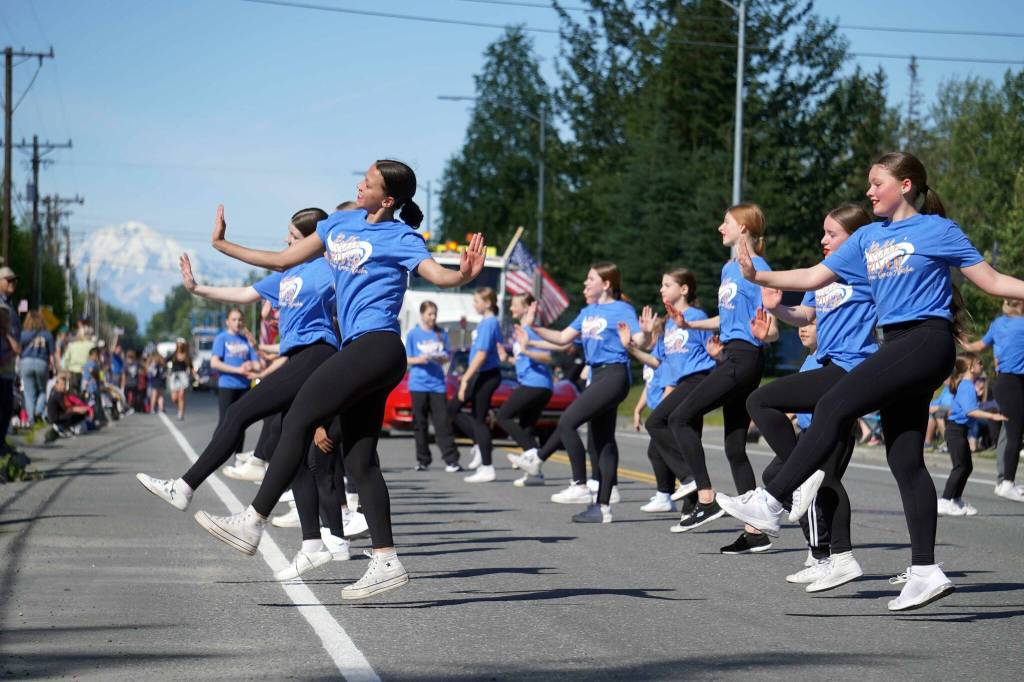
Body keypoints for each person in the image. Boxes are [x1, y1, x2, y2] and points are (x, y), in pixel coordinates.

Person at [716, 151, 1024, 611]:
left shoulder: (938, 230)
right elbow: (814, 276)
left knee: (834, 404)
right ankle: (924, 571)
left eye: (877, 182)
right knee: (905, 461)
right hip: (898, 341)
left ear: (904, 185)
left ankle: (773, 500)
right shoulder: (867, 237)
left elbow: (995, 281)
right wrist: (757, 273)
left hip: (926, 339)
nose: (869, 191)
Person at [190, 160, 486, 599]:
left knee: (297, 419)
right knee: (360, 461)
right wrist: (222, 245)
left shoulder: (402, 236)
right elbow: (282, 259)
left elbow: (437, 275)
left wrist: (464, 274)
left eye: (367, 183)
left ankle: (253, 521)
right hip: (360, 352)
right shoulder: (340, 223)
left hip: (378, 346)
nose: (358, 185)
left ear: (387, 199)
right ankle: (386, 561)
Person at [137, 207, 340, 526]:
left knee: (238, 413)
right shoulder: (287, 273)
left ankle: (185, 487)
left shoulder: (329, 270)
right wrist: (196, 289)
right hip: (296, 356)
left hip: (316, 354)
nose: (286, 240)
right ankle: (318, 543)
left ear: (313, 241)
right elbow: (244, 294)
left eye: (294, 236)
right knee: (293, 449)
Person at [744, 204, 876, 586]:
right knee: (826, 477)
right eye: (823, 233)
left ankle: (799, 482)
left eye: (831, 234)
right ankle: (836, 558)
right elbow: (806, 317)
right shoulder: (826, 279)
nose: (823, 240)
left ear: (854, 239)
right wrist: (778, 309)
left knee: (762, 402)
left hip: (850, 372)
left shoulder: (867, 272)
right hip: (827, 368)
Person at [659, 204, 777, 548]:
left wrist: (766, 335)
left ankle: (706, 500)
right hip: (731, 354)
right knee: (734, 446)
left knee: (679, 417)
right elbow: (725, 320)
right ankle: (756, 533)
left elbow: (770, 326)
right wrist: (690, 324)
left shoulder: (758, 267)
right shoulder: (729, 269)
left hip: (745, 358)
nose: (719, 227)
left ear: (743, 227)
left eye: (725, 222)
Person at [509, 262, 645, 523]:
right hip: (598, 376)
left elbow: (638, 340)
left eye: (590, 279)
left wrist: (637, 339)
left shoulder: (621, 309)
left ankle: (580, 485)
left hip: (614, 374)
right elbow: (562, 338)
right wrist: (534, 328)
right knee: (602, 439)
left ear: (606, 284)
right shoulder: (587, 312)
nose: (585, 283)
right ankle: (602, 507)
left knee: (567, 422)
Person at [619, 268, 716, 523]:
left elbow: (714, 350)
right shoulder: (669, 323)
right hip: (682, 382)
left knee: (657, 421)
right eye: (661, 285)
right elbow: (658, 361)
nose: (661, 289)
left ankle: (690, 479)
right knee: (687, 438)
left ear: (683, 289)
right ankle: (692, 508)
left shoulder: (695, 317)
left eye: (667, 285)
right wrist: (631, 348)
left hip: (698, 380)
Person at [964, 298, 1024, 502]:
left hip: (1004, 384)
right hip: (1014, 383)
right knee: (1014, 434)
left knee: (1010, 433)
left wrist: (962, 341)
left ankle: (1004, 481)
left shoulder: (998, 323)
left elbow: (979, 346)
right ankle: (1007, 482)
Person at [939, 353, 1007, 516]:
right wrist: (992, 415)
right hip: (955, 431)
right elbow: (971, 411)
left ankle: (956, 500)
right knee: (960, 467)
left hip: (959, 431)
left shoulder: (967, 385)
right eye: (979, 363)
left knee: (966, 467)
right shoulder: (967, 386)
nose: (982, 365)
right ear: (970, 367)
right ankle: (944, 501)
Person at [499, 293, 554, 487]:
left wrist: (526, 350)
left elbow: (547, 357)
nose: (512, 309)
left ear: (526, 308)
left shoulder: (531, 330)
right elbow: (523, 358)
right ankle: (535, 475)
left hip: (536, 384)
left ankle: (534, 455)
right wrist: (508, 360)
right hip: (536, 384)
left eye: (515, 305)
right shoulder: (521, 330)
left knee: (503, 416)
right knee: (525, 426)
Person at [450, 287, 503, 483]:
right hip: (484, 374)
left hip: (484, 375)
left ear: (488, 303)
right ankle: (482, 446)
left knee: (454, 409)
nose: (474, 304)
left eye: (477, 301)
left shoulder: (488, 323)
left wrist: (465, 379)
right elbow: (498, 346)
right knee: (477, 416)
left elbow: (481, 355)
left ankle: (486, 464)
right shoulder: (489, 322)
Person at [405, 300, 461, 472]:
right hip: (418, 384)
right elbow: (406, 358)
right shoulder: (413, 334)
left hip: (437, 385)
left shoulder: (441, 333)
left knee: (442, 422)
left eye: (435, 314)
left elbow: (448, 357)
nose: (433, 317)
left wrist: (441, 358)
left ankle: (451, 460)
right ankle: (423, 460)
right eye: (430, 314)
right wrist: (419, 360)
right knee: (419, 423)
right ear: (422, 315)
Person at [211, 308, 261, 454]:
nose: (237, 322)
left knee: (240, 422)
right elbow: (214, 363)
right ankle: (213, 454)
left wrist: (251, 365)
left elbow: (257, 363)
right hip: (227, 385)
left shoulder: (246, 340)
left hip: (244, 386)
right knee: (224, 422)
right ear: (227, 321)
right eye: (234, 319)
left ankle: (238, 456)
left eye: (240, 319)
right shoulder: (222, 338)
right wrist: (238, 370)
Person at [19, 310, 55, 425]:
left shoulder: (23, 334)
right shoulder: (47, 334)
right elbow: (52, 355)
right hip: (42, 363)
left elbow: (18, 350)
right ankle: (38, 411)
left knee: (29, 393)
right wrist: (54, 368)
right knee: (42, 391)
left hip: (26, 362)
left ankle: (31, 420)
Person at [45, 372, 89, 437]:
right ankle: (62, 427)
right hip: (56, 418)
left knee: (81, 413)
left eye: (64, 385)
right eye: (62, 385)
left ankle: (68, 427)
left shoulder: (57, 393)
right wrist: (77, 409)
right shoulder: (57, 394)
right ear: (56, 385)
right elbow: (66, 408)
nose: (64, 387)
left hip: (59, 415)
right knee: (77, 414)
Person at [168, 339, 194, 421]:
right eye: (178, 344)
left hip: (183, 377)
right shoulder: (174, 354)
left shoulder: (187, 355)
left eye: (181, 344)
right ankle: (179, 408)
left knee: (181, 396)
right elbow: (164, 360)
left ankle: (181, 413)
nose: (179, 346)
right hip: (174, 376)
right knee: (174, 398)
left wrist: (195, 376)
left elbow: (191, 367)